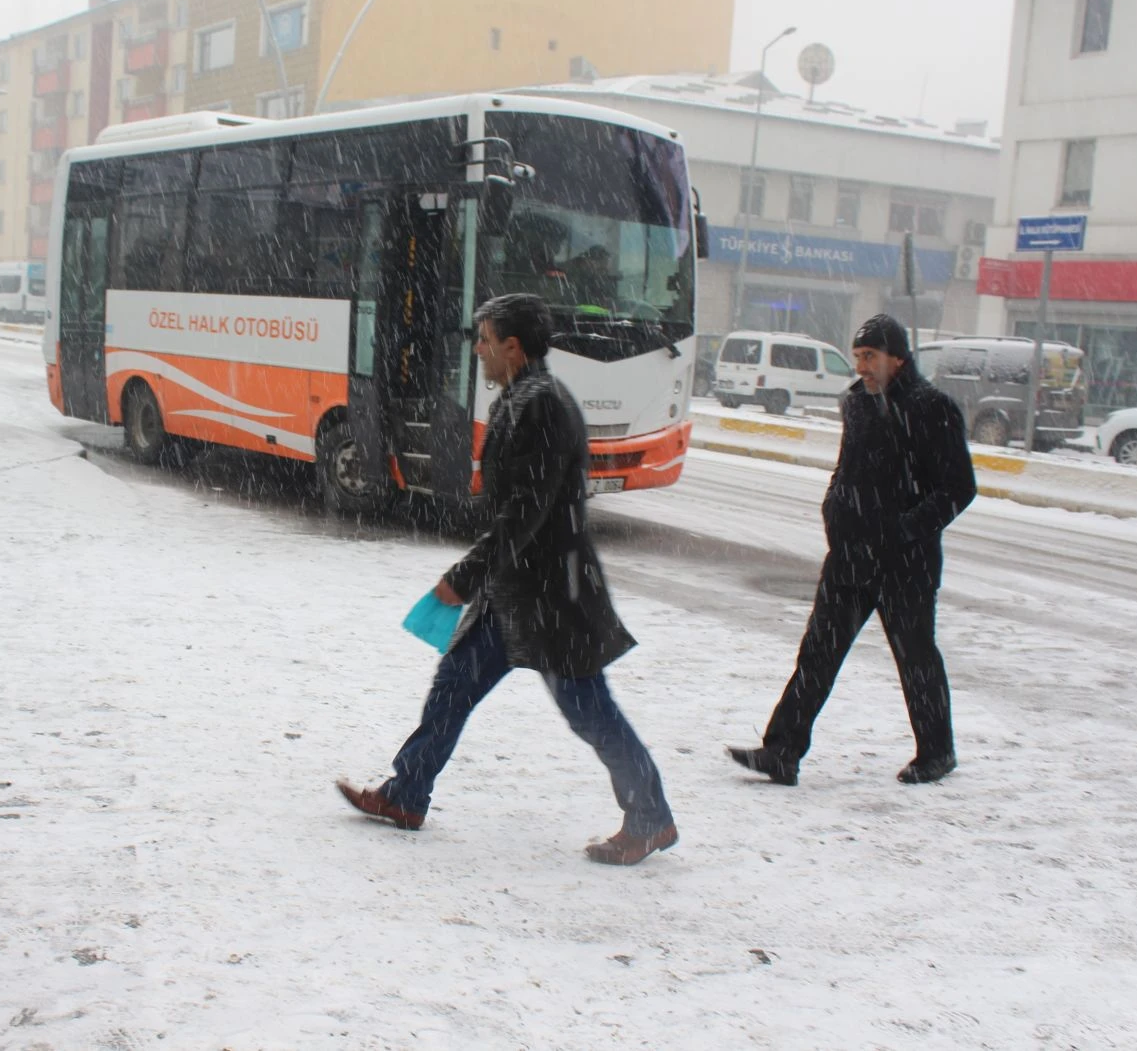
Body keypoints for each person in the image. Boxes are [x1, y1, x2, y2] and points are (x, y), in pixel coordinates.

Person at [338, 293, 677, 866]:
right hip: (516, 585)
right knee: (454, 684)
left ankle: (651, 818)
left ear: (512, 348)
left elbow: (526, 513)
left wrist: (465, 576)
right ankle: (406, 795)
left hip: (551, 592)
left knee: (587, 708)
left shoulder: (542, 405)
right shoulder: (521, 398)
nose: (479, 351)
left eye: (485, 340)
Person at [727, 314, 977, 787]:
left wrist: (907, 529)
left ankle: (937, 752)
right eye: (858, 357)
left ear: (897, 357)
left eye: (870, 357)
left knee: (915, 657)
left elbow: (959, 487)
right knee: (817, 653)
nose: (861, 366)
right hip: (849, 557)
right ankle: (782, 751)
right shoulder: (858, 404)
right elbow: (847, 470)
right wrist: (834, 510)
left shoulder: (932, 408)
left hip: (906, 563)